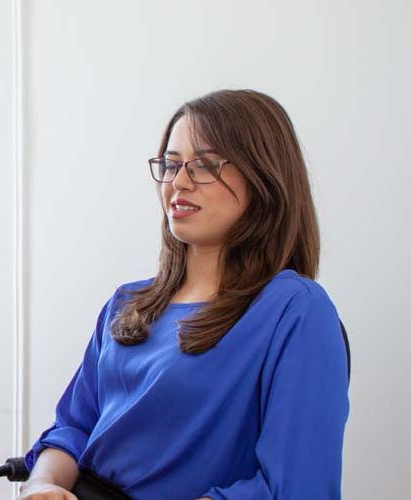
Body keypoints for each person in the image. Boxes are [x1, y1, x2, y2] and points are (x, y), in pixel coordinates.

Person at [20, 90, 349, 499]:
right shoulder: (126, 304)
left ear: (264, 176)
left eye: (205, 165)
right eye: (172, 165)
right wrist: (42, 485)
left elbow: (297, 486)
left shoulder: (295, 310)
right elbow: (73, 427)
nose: (178, 182)